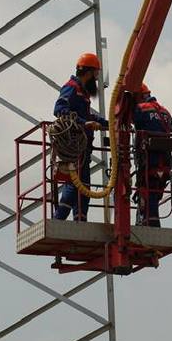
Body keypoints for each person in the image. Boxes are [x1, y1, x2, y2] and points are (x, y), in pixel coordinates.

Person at [52, 52, 107, 221]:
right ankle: (59, 220)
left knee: (83, 187)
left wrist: (106, 123)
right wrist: (84, 124)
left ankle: (80, 219)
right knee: (75, 185)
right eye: (96, 75)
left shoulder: (82, 92)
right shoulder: (72, 87)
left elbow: (86, 115)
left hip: (83, 148)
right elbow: (60, 110)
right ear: (89, 72)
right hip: (74, 146)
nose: (96, 80)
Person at [132, 82, 172, 227]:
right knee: (154, 194)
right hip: (165, 162)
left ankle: (151, 226)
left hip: (149, 160)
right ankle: (150, 223)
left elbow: (125, 120)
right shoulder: (165, 111)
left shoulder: (140, 109)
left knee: (148, 194)